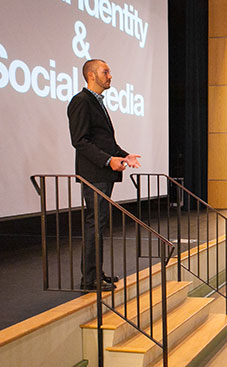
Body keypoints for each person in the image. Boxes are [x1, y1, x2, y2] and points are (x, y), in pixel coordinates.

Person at [69, 59, 141, 291]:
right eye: (105, 72)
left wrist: (124, 156)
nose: (110, 76)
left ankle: (96, 273)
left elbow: (105, 141)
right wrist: (108, 160)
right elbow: (80, 141)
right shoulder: (81, 101)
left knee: (99, 225)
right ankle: (90, 280)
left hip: (103, 174)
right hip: (94, 173)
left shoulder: (97, 103)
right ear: (91, 75)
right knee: (94, 225)